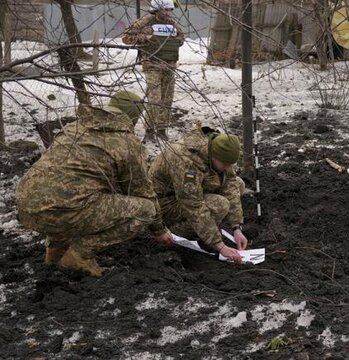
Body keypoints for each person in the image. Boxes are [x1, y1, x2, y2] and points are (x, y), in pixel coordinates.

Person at [16, 91, 174, 277]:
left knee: (68, 196)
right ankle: (79, 255)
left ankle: (55, 255)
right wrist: (159, 230)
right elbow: (142, 192)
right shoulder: (127, 143)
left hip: (26, 206)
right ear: (135, 118)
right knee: (145, 210)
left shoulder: (75, 127)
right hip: (64, 211)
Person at [148, 127, 247, 263]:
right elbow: (193, 204)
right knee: (220, 204)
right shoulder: (187, 162)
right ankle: (175, 233)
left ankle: (208, 227)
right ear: (214, 156)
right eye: (225, 164)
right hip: (164, 204)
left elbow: (229, 184)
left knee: (238, 184)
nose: (228, 168)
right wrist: (220, 245)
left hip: (184, 193)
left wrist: (236, 227)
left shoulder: (216, 150)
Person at [122, 0, 184, 142]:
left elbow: (181, 38)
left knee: (167, 99)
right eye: (166, 10)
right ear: (157, 8)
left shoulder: (172, 24)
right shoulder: (145, 22)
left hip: (169, 65)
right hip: (152, 65)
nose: (169, 13)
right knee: (155, 98)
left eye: (170, 10)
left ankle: (161, 130)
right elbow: (126, 38)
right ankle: (149, 131)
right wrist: (144, 38)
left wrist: (173, 42)